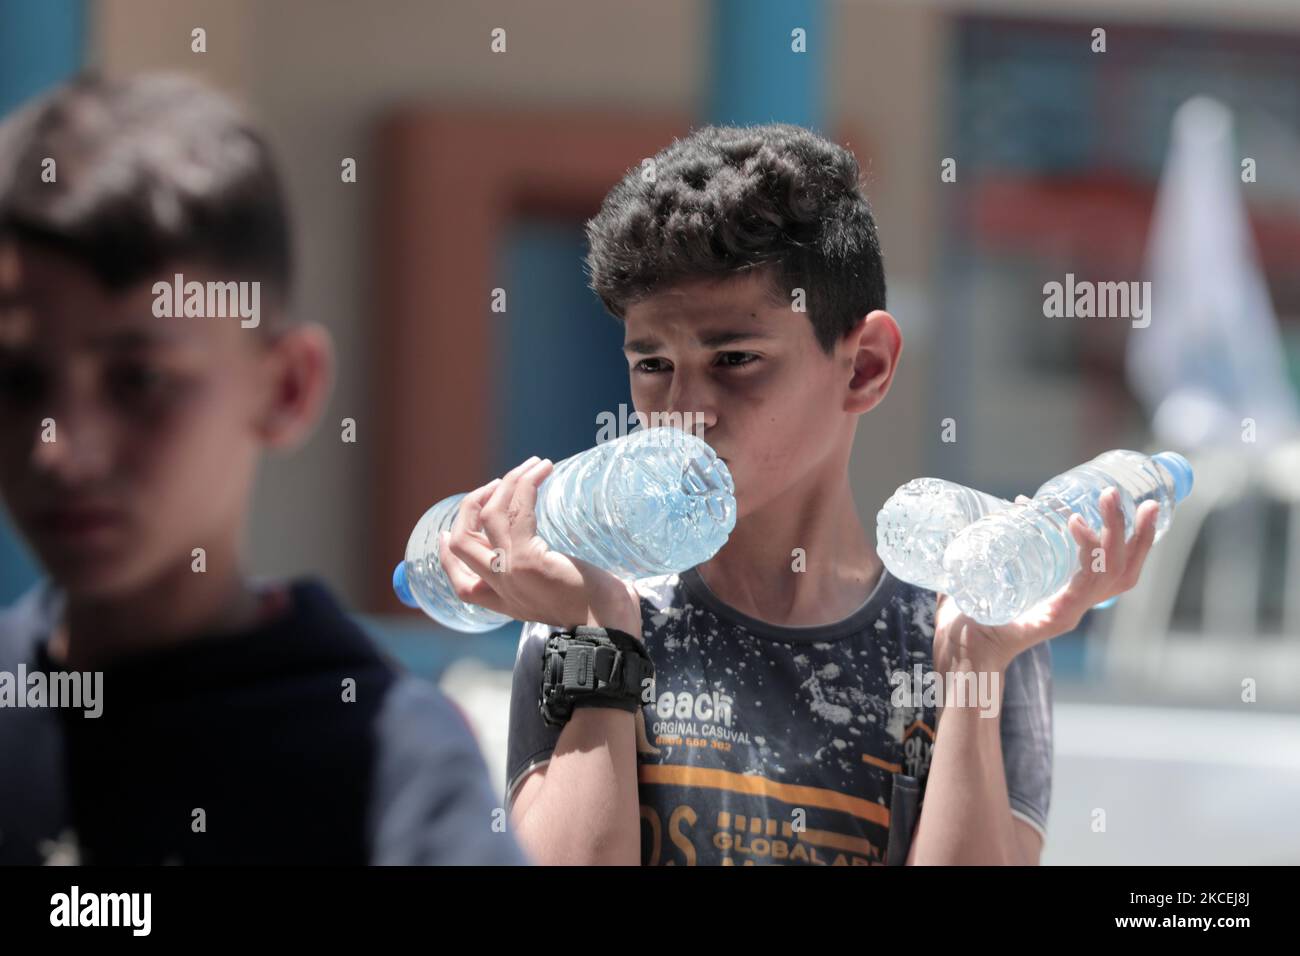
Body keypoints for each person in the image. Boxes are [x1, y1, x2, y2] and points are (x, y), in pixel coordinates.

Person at [438, 123, 1162, 865]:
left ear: (865, 367)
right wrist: (601, 634)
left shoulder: (962, 619)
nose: (685, 409)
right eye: (653, 363)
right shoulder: (592, 607)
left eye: (735, 359)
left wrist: (972, 666)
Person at [0, 72, 525, 865]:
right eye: (19, 381)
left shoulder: (388, 767)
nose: (60, 448)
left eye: (139, 382)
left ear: (287, 386)